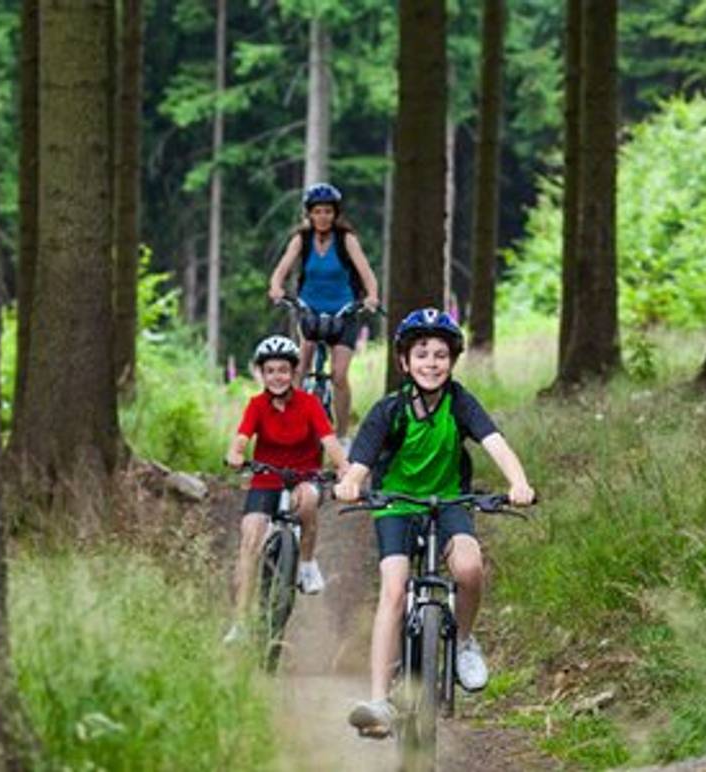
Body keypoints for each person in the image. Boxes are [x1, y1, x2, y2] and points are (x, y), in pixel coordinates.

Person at [334, 308, 535, 737]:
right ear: (404, 362)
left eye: (441, 354)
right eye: (421, 354)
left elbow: (495, 443)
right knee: (393, 586)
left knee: (469, 567)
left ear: (452, 361)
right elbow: (360, 462)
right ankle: (378, 700)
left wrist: (518, 482)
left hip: (449, 501)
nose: (431, 362)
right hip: (395, 504)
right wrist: (350, 483)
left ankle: (462, 642)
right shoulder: (390, 408)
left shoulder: (460, 401)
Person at [224, 335, 349, 643]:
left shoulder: (310, 404)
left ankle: (306, 563)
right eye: (270, 370)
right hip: (266, 479)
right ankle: (240, 623)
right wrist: (236, 456)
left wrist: (344, 469)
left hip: (304, 477)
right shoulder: (257, 405)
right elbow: (240, 440)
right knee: (250, 537)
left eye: (283, 370)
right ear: (261, 374)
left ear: (294, 373)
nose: (277, 376)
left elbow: (329, 441)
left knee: (307, 499)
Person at [268, 182, 380, 445]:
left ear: (335, 213)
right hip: (310, 312)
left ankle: (342, 435)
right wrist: (276, 288)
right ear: (309, 213)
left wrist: (372, 296)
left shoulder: (346, 240)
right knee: (300, 369)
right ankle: (289, 427)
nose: (323, 217)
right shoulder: (302, 240)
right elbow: (281, 269)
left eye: (328, 211)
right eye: (317, 211)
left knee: (339, 375)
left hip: (343, 314)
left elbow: (367, 275)